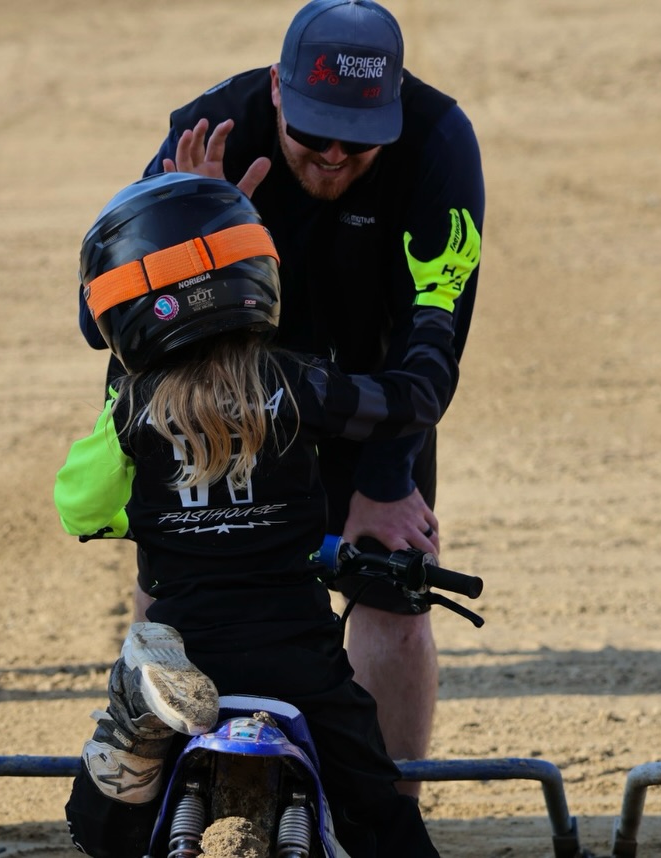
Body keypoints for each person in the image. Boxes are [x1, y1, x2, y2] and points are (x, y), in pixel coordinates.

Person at [77, 0, 485, 787]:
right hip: (209, 391)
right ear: (276, 90)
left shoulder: (436, 138)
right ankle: (157, 794)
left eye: (360, 142)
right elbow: (104, 324)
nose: (334, 157)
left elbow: (436, 331)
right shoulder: (209, 131)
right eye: (312, 135)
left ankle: (383, 796)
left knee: (391, 591)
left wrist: (384, 484)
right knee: (178, 595)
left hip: (366, 386)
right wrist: (190, 222)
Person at [56, 171, 457, 856]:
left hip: (186, 650)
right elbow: (410, 400)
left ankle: (134, 726)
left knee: (101, 834)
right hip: (299, 659)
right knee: (382, 820)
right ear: (255, 274)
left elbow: (81, 510)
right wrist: (436, 301)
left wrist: (148, 513)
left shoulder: (127, 410)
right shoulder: (298, 383)